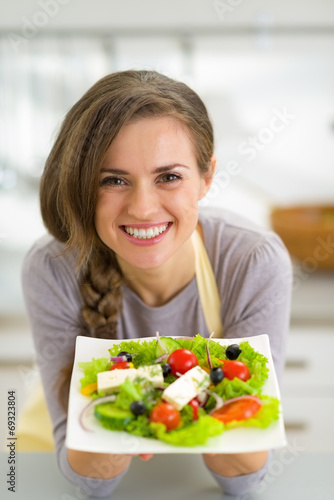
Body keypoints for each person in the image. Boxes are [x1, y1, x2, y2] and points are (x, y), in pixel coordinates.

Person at [22, 69, 292, 498]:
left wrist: (162, 413)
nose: (144, 208)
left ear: (206, 178)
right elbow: (90, 482)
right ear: (81, 184)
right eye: (113, 180)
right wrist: (126, 424)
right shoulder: (54, 268)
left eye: (168, 176)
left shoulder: (252, 261)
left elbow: (244, 477)